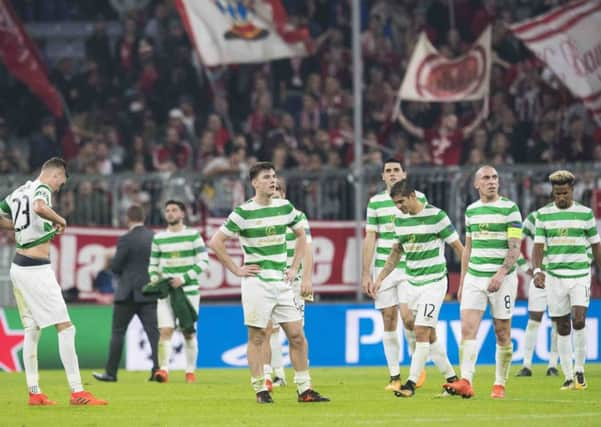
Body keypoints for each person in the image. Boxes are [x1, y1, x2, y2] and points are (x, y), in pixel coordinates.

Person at [209, 161, 329, 404]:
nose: (272, 181)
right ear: (254, 183)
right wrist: (236, 269)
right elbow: (215, 242)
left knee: (297, 336)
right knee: (257, 336)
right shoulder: (243, 212)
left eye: (274, 176)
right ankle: (260, 389)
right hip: (257, 283)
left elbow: (301, 235)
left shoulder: (285, 207)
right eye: (266, 177)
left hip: (282, 282)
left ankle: (304, 389)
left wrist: (295, 267)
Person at [0, 157, 107, 405]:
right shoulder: (41, 188)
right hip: (36, 270)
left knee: (32, 330)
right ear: (56, 175)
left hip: (19, 266)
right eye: (61, 183)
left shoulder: (17, 192)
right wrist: (61, 220)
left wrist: (16, 227)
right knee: (66, 327)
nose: (58, 188)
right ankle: (78, 392)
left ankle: (34, 392)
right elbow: (39, 206)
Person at [371, 179, 463, 397]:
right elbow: (396, 253)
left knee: (421, 331)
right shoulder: (400, 221)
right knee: (428, 335)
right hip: (413, 284)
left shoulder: (437, 216)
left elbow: (459, 248)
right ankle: (453, 381)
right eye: (395, 203)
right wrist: (380, 278)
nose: (399, 206)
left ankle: (410, 384)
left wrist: (467, 278)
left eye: (401, 201)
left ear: (412, 195)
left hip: (434, 283)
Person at [443, 165, 522, 399]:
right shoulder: (472, 211)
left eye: (495, 177)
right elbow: (469, 248)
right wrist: (463, 281)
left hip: (503, 280)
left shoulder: (510, 209)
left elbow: (515, 248)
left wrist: (500, 274)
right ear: (476, 184)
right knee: (467, 329)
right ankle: (466, 380)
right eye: (486, 178)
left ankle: (500, 384)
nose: (491, 181)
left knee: (502, 332)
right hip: (475, 278)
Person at [361, 159, 428, 391]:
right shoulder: (376, 203)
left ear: (404, 174)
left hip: (410, 266)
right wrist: (366, 274)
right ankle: (394, 376)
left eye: (396, 170)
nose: (392, 174)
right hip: (384, 268)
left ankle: (415, 368)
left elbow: (425, 228)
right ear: (383, 176)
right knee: (388, 319)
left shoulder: (418, 197)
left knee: (409, 318)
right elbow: (370, 238)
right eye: (388, 171)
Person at [532, 170, 601, 390]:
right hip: (555, 277)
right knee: (562, 326)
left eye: (564, 193)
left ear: (572, 191)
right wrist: (537, 270)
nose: (561, 197)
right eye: (557, 193)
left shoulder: (585, 214)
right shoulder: (543, 215)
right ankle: (568, 375)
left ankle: (580, 370)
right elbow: (538, 247)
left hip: (580, 274)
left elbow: (596, 245)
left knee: (579, 320)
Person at [93, 205, 159, 383]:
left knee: (118, 333)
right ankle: (158, 371)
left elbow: (115, 267)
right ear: (143, 218)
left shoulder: (125, 239)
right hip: (149, 292)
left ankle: (111, 373)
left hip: (126, 294)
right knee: (154, 334)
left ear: (127, 219)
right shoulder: (154, 238)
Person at [148, 200, 209, 383]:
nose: (170, 213)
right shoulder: (158, 238)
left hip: (188, 292)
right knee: (165, 330)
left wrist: (184, 278)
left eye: (174, 210)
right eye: (167, 210)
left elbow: (204, 261)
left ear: (182, 213)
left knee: (188, 332)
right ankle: (164, 370)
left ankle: (190, 371)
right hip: (166, 293)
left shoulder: (193, 235)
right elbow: (153, 265)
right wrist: (154, 279)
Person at [263, 177, 313, 390]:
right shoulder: (261, 218)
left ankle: (302, 376)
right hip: (270, 281)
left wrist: (308, 279)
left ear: (283, 195)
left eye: (277, 193)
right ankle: (275, 375)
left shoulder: (297, 217)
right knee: (268, 329)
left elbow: (308, 249)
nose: (274, 197)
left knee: (296, 332)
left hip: (295, 281)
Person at [515, 209, 559, 377]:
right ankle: (526, 365)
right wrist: (528, 269)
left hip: (559, 277)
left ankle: (553, 365)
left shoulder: (568, 217)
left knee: (558, 320)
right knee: (534, 320)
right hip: (539, 277)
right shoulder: (533, 218)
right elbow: (515, 245)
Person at [397, 103, 487, 166]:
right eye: (452, 120)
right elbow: (413, 129)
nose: (454, 123)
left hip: (449, 175)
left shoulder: (457, 136)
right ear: (444, 120)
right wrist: (400, 116)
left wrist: (482, 114)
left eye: (455, 122)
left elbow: (472, 127)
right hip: (433, 174)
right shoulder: (432, 134)